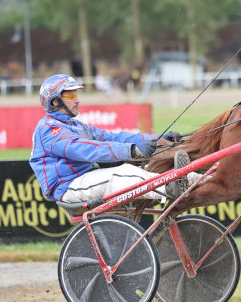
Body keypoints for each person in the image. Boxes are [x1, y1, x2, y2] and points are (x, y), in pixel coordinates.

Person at [30, 74, 195, 204]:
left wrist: (157, 139)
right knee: (123, 173)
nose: (78, 99)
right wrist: (131, 150)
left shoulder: (76, 126)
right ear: (55, 101)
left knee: (136, 171)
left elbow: (114, 137)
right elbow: (86, 149)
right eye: (71, 96)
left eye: (76, 94)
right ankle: (169, 188)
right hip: (68, 186)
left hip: (84, 180)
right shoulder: (48, 129)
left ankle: (199, 181)